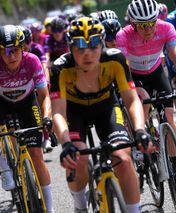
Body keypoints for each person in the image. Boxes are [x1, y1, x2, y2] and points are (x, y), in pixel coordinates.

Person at [50, 16, 150, 213]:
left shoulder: (115, 59)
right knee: (77, 158)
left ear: (102, 43)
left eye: (94, 44)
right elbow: (59, 113)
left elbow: (131, 100)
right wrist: (66, 143)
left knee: (123, 158)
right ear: (70, 47)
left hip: (106, 108)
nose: (88, 53)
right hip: (75, 112)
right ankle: (80, 206)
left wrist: (139, 130)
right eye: (80, 46)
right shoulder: (60, 68)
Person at [0, 25, 54, 212]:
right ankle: (6, 168)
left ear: (22, 47)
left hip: (27, 103)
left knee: (37, 155)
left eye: (15, 50)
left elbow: (44, 96)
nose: (11, 56)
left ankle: (50, 208)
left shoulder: (32, 61)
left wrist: (47, 118)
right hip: (3, 103)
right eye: (5, 51)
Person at [116, 0, 176, 162]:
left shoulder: (167, 28)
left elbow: (173, 54)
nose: (148, 28)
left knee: (169, 117)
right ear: (134, 24)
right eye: (143, 25)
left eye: (151, 23)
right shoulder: (123, 35)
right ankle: (139, 144)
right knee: (142, 106)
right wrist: (135, 89)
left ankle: (174, 162)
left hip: (156, 73)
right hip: (134, 75)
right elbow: (123, 68)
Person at [20, 25, 53, 152]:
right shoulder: (15, 53)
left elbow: (45, 66)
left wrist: (47, 81)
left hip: (37, 80)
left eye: (28, 42)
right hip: (22, 84)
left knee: (41, 105)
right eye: (22, 43)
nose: (26, 46)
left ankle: (46, 137)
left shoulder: (37, 49)